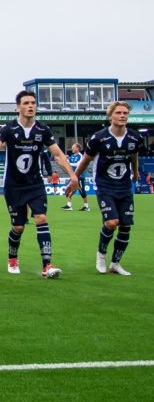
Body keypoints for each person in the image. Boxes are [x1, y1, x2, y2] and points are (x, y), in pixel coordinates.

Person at [0, 90, 78, 278]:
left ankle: (47, 265)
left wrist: (73, 176)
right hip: (13, 185)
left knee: (41, 218)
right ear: (18, 107)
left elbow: (58, 154)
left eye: (33, 103)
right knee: (18, 227)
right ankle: (12, 258)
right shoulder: (8, 128)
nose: (30, 106)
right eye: (26, 103)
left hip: (35, 184)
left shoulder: (42, 130)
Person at [68, 102, 140, 275]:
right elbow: (85, 160)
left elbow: (134, 156)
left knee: (125, 225)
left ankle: (115, 264)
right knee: (111, 222)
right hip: (104, 185)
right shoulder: (98, 138)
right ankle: (101, 255)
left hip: (124, 185)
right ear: (110, 116)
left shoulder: (135, 137)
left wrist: (136, 173)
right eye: (119, 113)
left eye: (125, 113)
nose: (122, 116)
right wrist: (74, 179)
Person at [62, 142, 91, 211]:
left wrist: (69, 163)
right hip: (73, 176)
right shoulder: (72, 156)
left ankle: (86, 207)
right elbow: (67, 162)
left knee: (81, 191)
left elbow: (78, 164)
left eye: (73, 147)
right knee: (68, 189)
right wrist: (65, 158)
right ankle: (69, 205)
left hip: (80, 176)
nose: (72, 148)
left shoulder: (80, 156)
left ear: (77, 148)